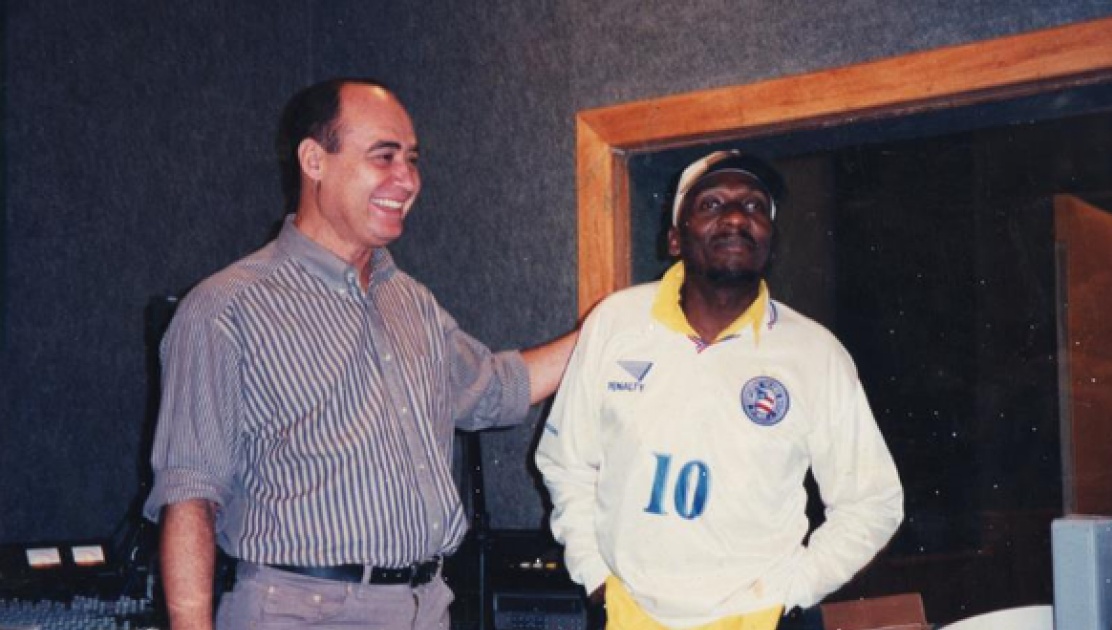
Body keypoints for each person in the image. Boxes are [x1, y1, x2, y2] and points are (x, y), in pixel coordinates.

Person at [143, 77, 577, 630]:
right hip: (302, 613)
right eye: (384, 157)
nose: (408, 180)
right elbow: (190, 497)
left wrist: (613, 325)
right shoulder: (225, 308)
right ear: (313, 160)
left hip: (426, 607)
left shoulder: (411, 301)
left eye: (412, 160)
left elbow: (494, 390)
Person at [535, 150, 904, 629]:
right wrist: (596, 578)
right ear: (674, 237)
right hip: (628, 615)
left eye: (754, 206)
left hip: (756, 619)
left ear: (770, 241)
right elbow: (566, 463)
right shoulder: (615, 323)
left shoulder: (815, 353)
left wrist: (790, 592)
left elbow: (873, 501)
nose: (735, 217)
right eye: (711, 205)